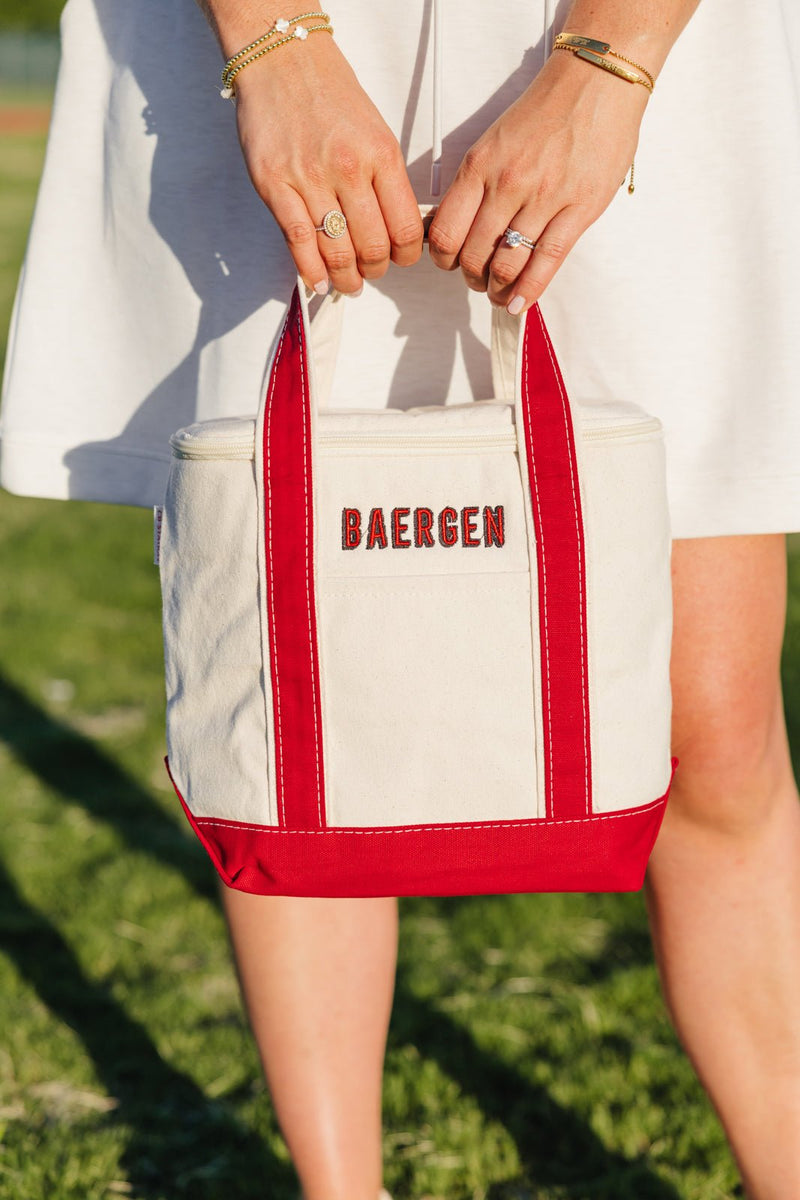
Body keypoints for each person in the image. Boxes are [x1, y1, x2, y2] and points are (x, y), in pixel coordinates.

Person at [2, 1, 800, 1197]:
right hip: (283, 46)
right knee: (304, 721)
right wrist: (271, 44)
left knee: (712, 728)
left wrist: (609, 63)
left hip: (632, 44)